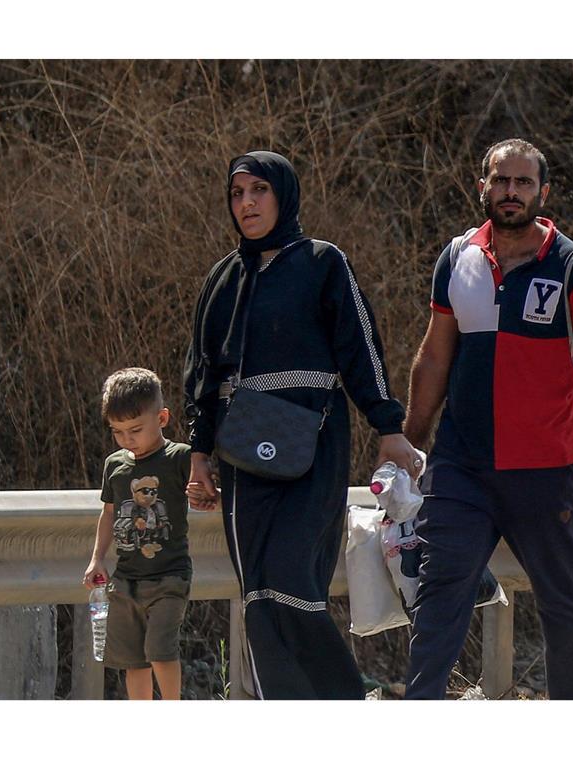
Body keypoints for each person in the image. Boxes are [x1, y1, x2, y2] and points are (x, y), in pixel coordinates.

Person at [402, 138, 573, 699]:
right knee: (439, 594)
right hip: (462, 466)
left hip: (546, 468)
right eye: (501, 181)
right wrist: (407, 443)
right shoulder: (458, 259)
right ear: (482, 186)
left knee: (565, 605)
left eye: (523, 182)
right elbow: (433, 356)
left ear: (542, 192)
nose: (510, 192)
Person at [183, 150, 419, 699]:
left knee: (292, 581)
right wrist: (198, 452)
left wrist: (389, 425)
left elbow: (361, 349)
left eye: (258, 191)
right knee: (258, 595)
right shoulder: (223, 278)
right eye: (237, 194)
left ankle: (341, 702)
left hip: (313, 444)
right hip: (241, 454)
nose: (247, 204)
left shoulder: (322, 262)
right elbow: (202, 370)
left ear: (283, 195)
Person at [83, 367, 216, 699]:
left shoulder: (179, 458)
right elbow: (109, 513)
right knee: (134, 661)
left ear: (162, 418)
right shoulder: (115, 464)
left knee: (159, 650)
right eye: (118, 431)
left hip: (169, 576)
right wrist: (97, 558)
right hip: (127, 578)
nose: (128, 439)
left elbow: (208, 492)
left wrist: (207, 497)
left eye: (136, 430)